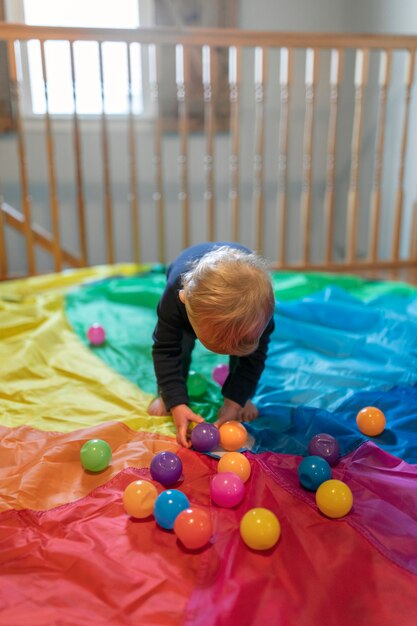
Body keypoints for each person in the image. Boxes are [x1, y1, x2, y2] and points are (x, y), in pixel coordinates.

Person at [148, 242, 275, 447]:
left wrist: (235, 402)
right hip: (183, 281)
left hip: (243, 288)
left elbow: (254, 360)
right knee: (179, 344)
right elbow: (165, 350)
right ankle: (167, 393)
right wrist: (176, 402)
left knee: (248, 357)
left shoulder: (259, 314)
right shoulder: (175, 298)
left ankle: (241, 397)